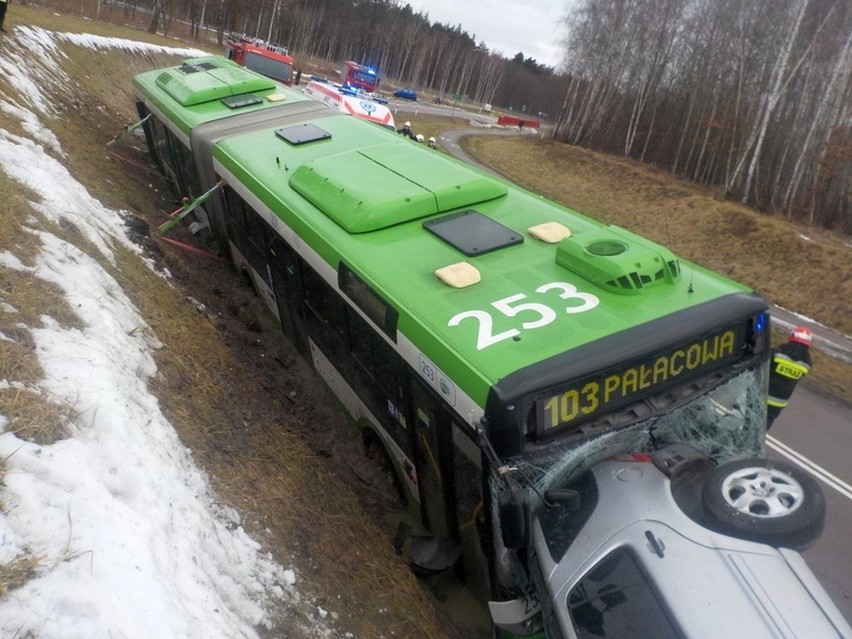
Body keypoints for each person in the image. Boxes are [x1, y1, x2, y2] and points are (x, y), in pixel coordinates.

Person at [766, 326, 813, 429]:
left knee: (743, 412)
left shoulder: (780, 351)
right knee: (766, 422)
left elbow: (764, 362)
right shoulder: (808, 362)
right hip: (779, 401)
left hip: (763, 393)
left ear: (792, 336)